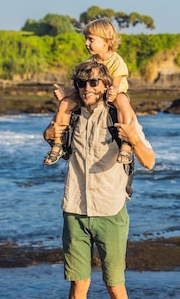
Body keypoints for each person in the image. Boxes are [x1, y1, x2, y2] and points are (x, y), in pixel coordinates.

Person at [44, 60, 155, 299]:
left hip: (110, 211)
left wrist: (133, 139)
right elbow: (51, 136)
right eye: (82, 83)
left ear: (105, 85)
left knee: (114, 286)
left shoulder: (119, 115)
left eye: (94, 82)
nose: (88, 88)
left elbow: (149, 161)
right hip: (75, 209)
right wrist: (57, 118)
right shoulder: (72, 114)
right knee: (78, 286)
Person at [44, 17, 136, 166]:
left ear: (106, 41)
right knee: (65, 103)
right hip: (93, 93)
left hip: (113, 93)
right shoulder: (90, 62)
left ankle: (126, 143)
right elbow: (82, 86)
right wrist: (65, 93)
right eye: (86, 39)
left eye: (91, 39)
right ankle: (58, 142)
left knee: (121, 100)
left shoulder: (116, 62)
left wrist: (112, 93)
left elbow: (115, 87)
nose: (86, 43)